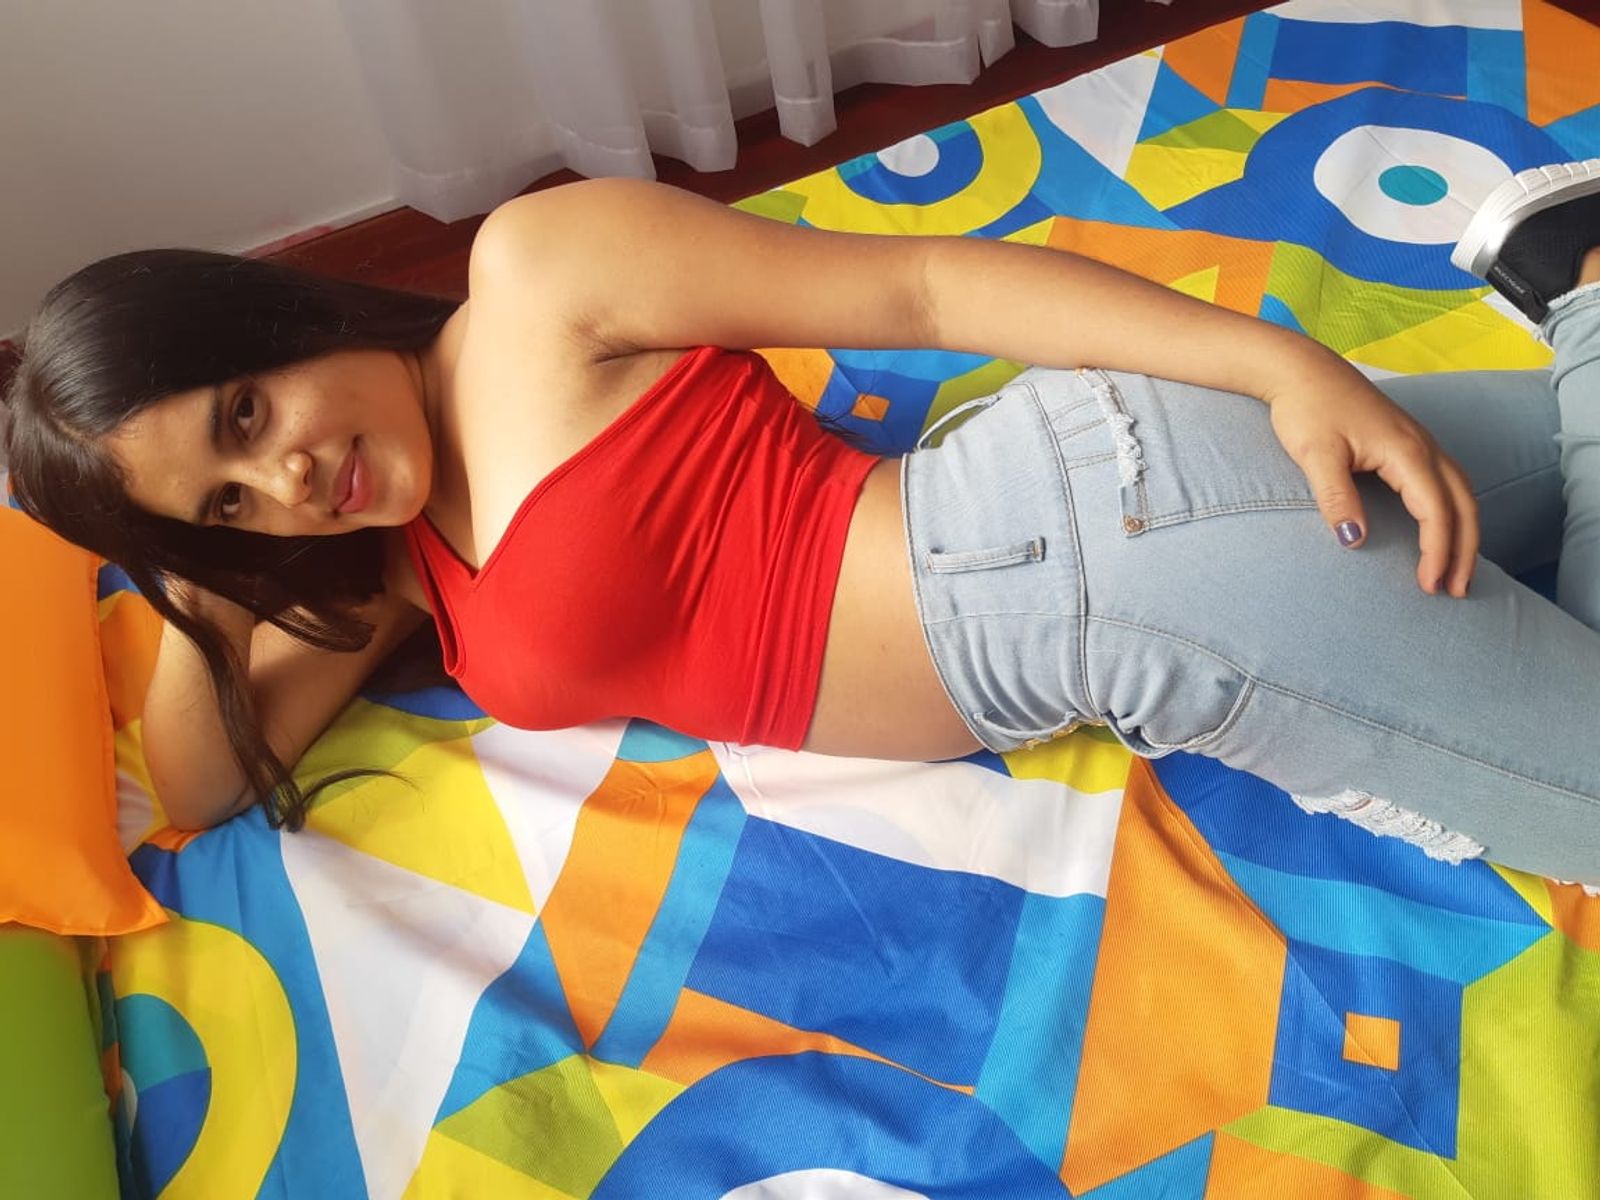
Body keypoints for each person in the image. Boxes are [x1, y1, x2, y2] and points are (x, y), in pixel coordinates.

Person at [4, 161, 1599, 886]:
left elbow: (924, 289)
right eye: (232, 495)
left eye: (246, 413)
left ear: (277, 315)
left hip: (1109, 567)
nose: (289, 477)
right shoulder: (400, 573)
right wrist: (198, 562)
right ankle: (1576, 277)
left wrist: (1279, 361)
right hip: (1113, 532)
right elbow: (197, 781)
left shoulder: (536, 280)